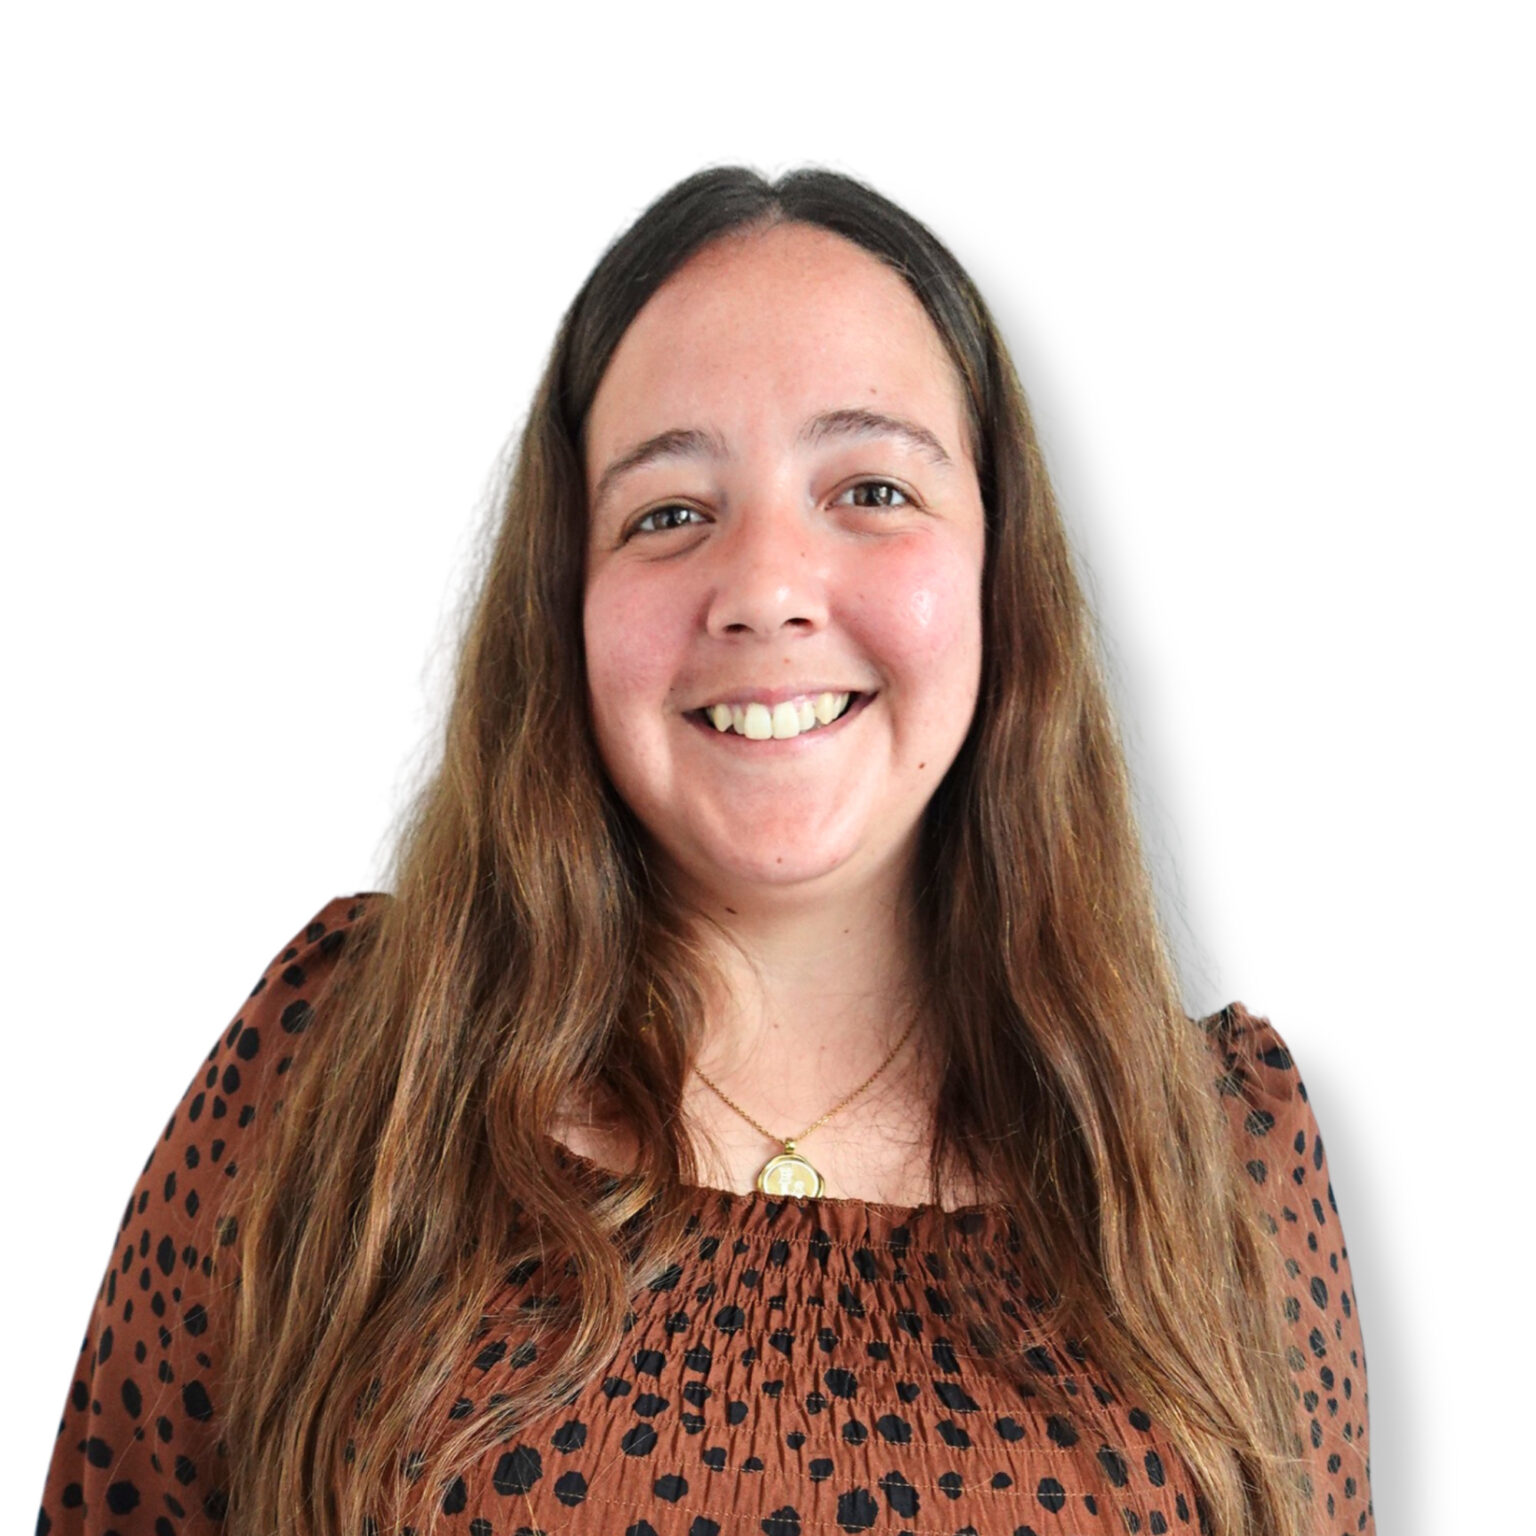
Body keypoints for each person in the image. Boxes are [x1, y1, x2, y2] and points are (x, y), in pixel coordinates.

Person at [37, 167, 1373, 1536]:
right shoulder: (335, 1061)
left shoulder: (1228, 1159)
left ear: (999, 569)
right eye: (670, 513)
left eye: (872, 488)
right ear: (566, 597)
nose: (767, 591)